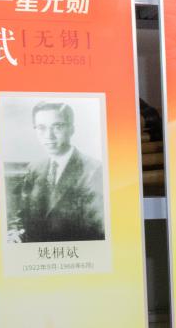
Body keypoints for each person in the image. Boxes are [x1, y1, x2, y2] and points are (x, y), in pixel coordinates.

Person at [8, 101, 104, 243]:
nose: (49, 136)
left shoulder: (94, 170)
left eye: (57, 127)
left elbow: (97, 230)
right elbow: (22, 214)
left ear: (71, 129)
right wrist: (16, 233)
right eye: (41, 128)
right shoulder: (35, 167)